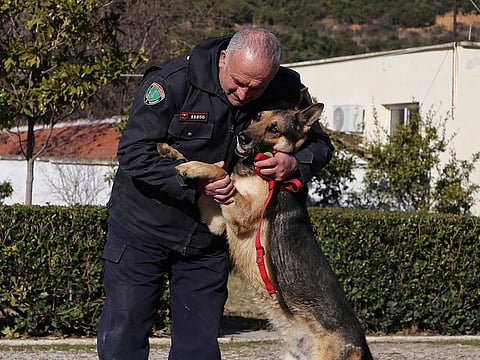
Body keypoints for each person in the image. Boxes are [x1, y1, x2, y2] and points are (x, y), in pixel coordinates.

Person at [97, 27, 334, 360]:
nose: (243, 94)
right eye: (237, 82)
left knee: (199, 349)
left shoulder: (288, 89)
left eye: (257, 88)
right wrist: (193, 182)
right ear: (224, 58)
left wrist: (294, 164)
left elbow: (322, 147)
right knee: (123, 338)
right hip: (143, 229)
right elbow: (134, 152)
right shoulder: (173, 81)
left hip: (207, 243)